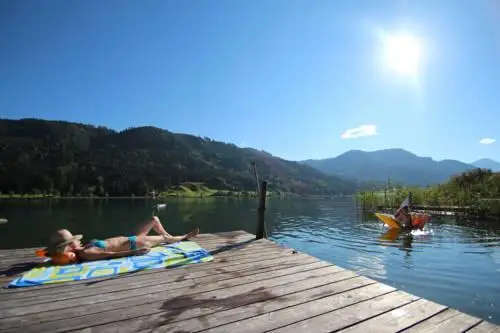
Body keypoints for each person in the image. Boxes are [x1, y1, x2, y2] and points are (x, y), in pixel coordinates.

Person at [46, 216, 200, 262]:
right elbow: (110, 255)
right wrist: (136, 252)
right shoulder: (87, 253)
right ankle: (183, 237)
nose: (78, 240)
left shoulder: (84, 248)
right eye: (74, 239)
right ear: (70, 246)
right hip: (135, 243)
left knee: (153, 219)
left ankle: (169, 237)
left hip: (131, 237)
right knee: (163, 238)